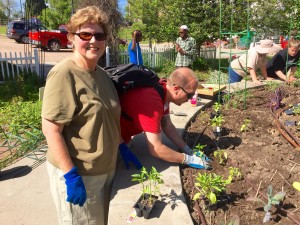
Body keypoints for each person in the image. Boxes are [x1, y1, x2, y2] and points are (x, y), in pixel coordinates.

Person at [41, 6, 121, 225]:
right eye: (85, 34)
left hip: (106, 170)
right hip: (81, 175)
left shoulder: (102, 75)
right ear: (71, 38)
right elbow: (51, 129)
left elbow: (107, 118)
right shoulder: (64, 73)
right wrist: (70, 176)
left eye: (99, 35)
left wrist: (119, 145)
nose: (93, 40)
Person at [118, 67, 211, 170]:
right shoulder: (151, 102)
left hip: (120, 133)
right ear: (176, 89)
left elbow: (166, 124)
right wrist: (188, 159)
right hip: (109, 136)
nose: (190, 99)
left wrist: (188, 150)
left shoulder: (162, 89)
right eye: (189, 95)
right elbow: (156, 149)